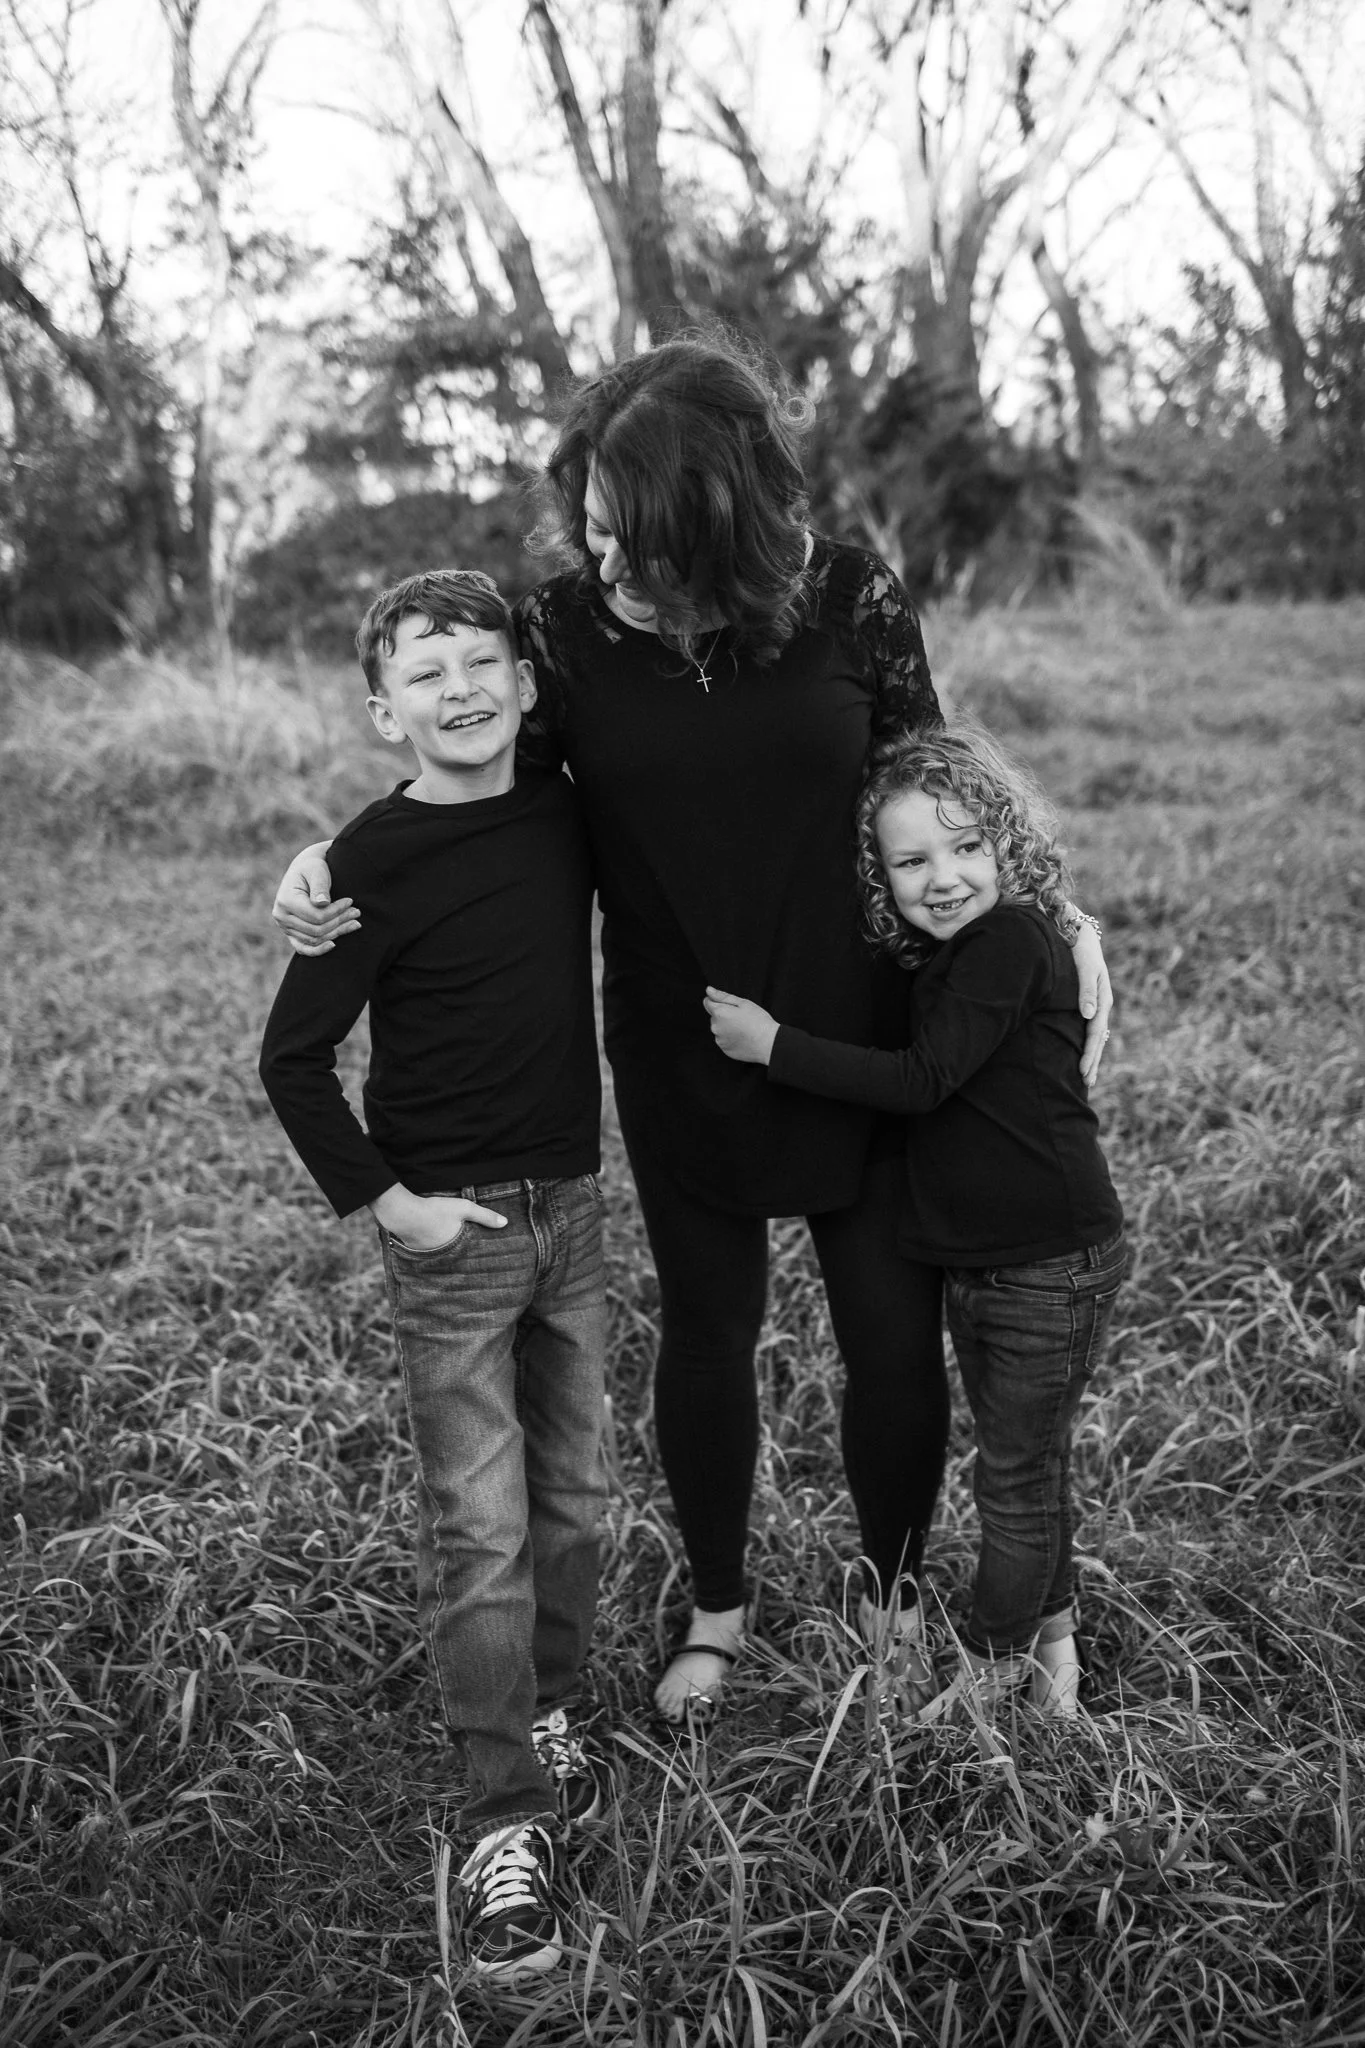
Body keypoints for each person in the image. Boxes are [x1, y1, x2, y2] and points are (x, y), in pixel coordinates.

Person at [270, 334, 1113, 1729]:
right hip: (681, 1038)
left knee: (889, 1341)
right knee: (710, 1331)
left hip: (866, 1036)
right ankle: (718, 1606)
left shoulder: (849, 596)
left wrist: (1055, 908)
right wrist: (333, 854)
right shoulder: (564, 631)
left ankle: (893, 1593)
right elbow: (484, 791)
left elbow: (931, 782)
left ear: (711, 511)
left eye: (627, 533)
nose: (600, 557)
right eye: (589, 526)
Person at [258, 569, 610, 1984]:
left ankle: (550, 1704)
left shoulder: (570, 806)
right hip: (451, 1236)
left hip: (572, 1209)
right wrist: (388, 1203)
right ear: (382, 710)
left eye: (480, 661)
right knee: (482, 1523)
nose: (458, 688)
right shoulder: (370, 860)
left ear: (524, 683)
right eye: (424, 671)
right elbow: (293, 1060)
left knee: (577, 1494)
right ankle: (502, 1817)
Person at [705, 722, 1127, 1717]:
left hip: (1047, 1262)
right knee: (1028, 1471)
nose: (943, 877)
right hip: (993, 1264)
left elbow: (922, 1079)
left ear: (1007, 842)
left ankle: (988, 1672)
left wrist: (776, 1045)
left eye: (966, 846)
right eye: (911, 860)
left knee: (1013, 1482)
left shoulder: (1008, 941)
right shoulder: (959, 950)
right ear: (880, 875)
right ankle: (1053, 1660)